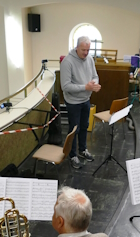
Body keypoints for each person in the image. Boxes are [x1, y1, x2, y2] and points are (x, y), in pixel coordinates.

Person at [60, 36, 100, 169]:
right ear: (76, 47)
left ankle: (83, 150)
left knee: (84, 126)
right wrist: (85, 87)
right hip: (73, 102)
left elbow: (95, 75)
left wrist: (95, 84)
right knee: (74, 129)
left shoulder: (89, 59)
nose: (86, 53)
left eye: (88, 50)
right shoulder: (67, 62)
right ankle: (72, 155)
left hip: (85, 99)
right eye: (83, 50)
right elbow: (65, 86)